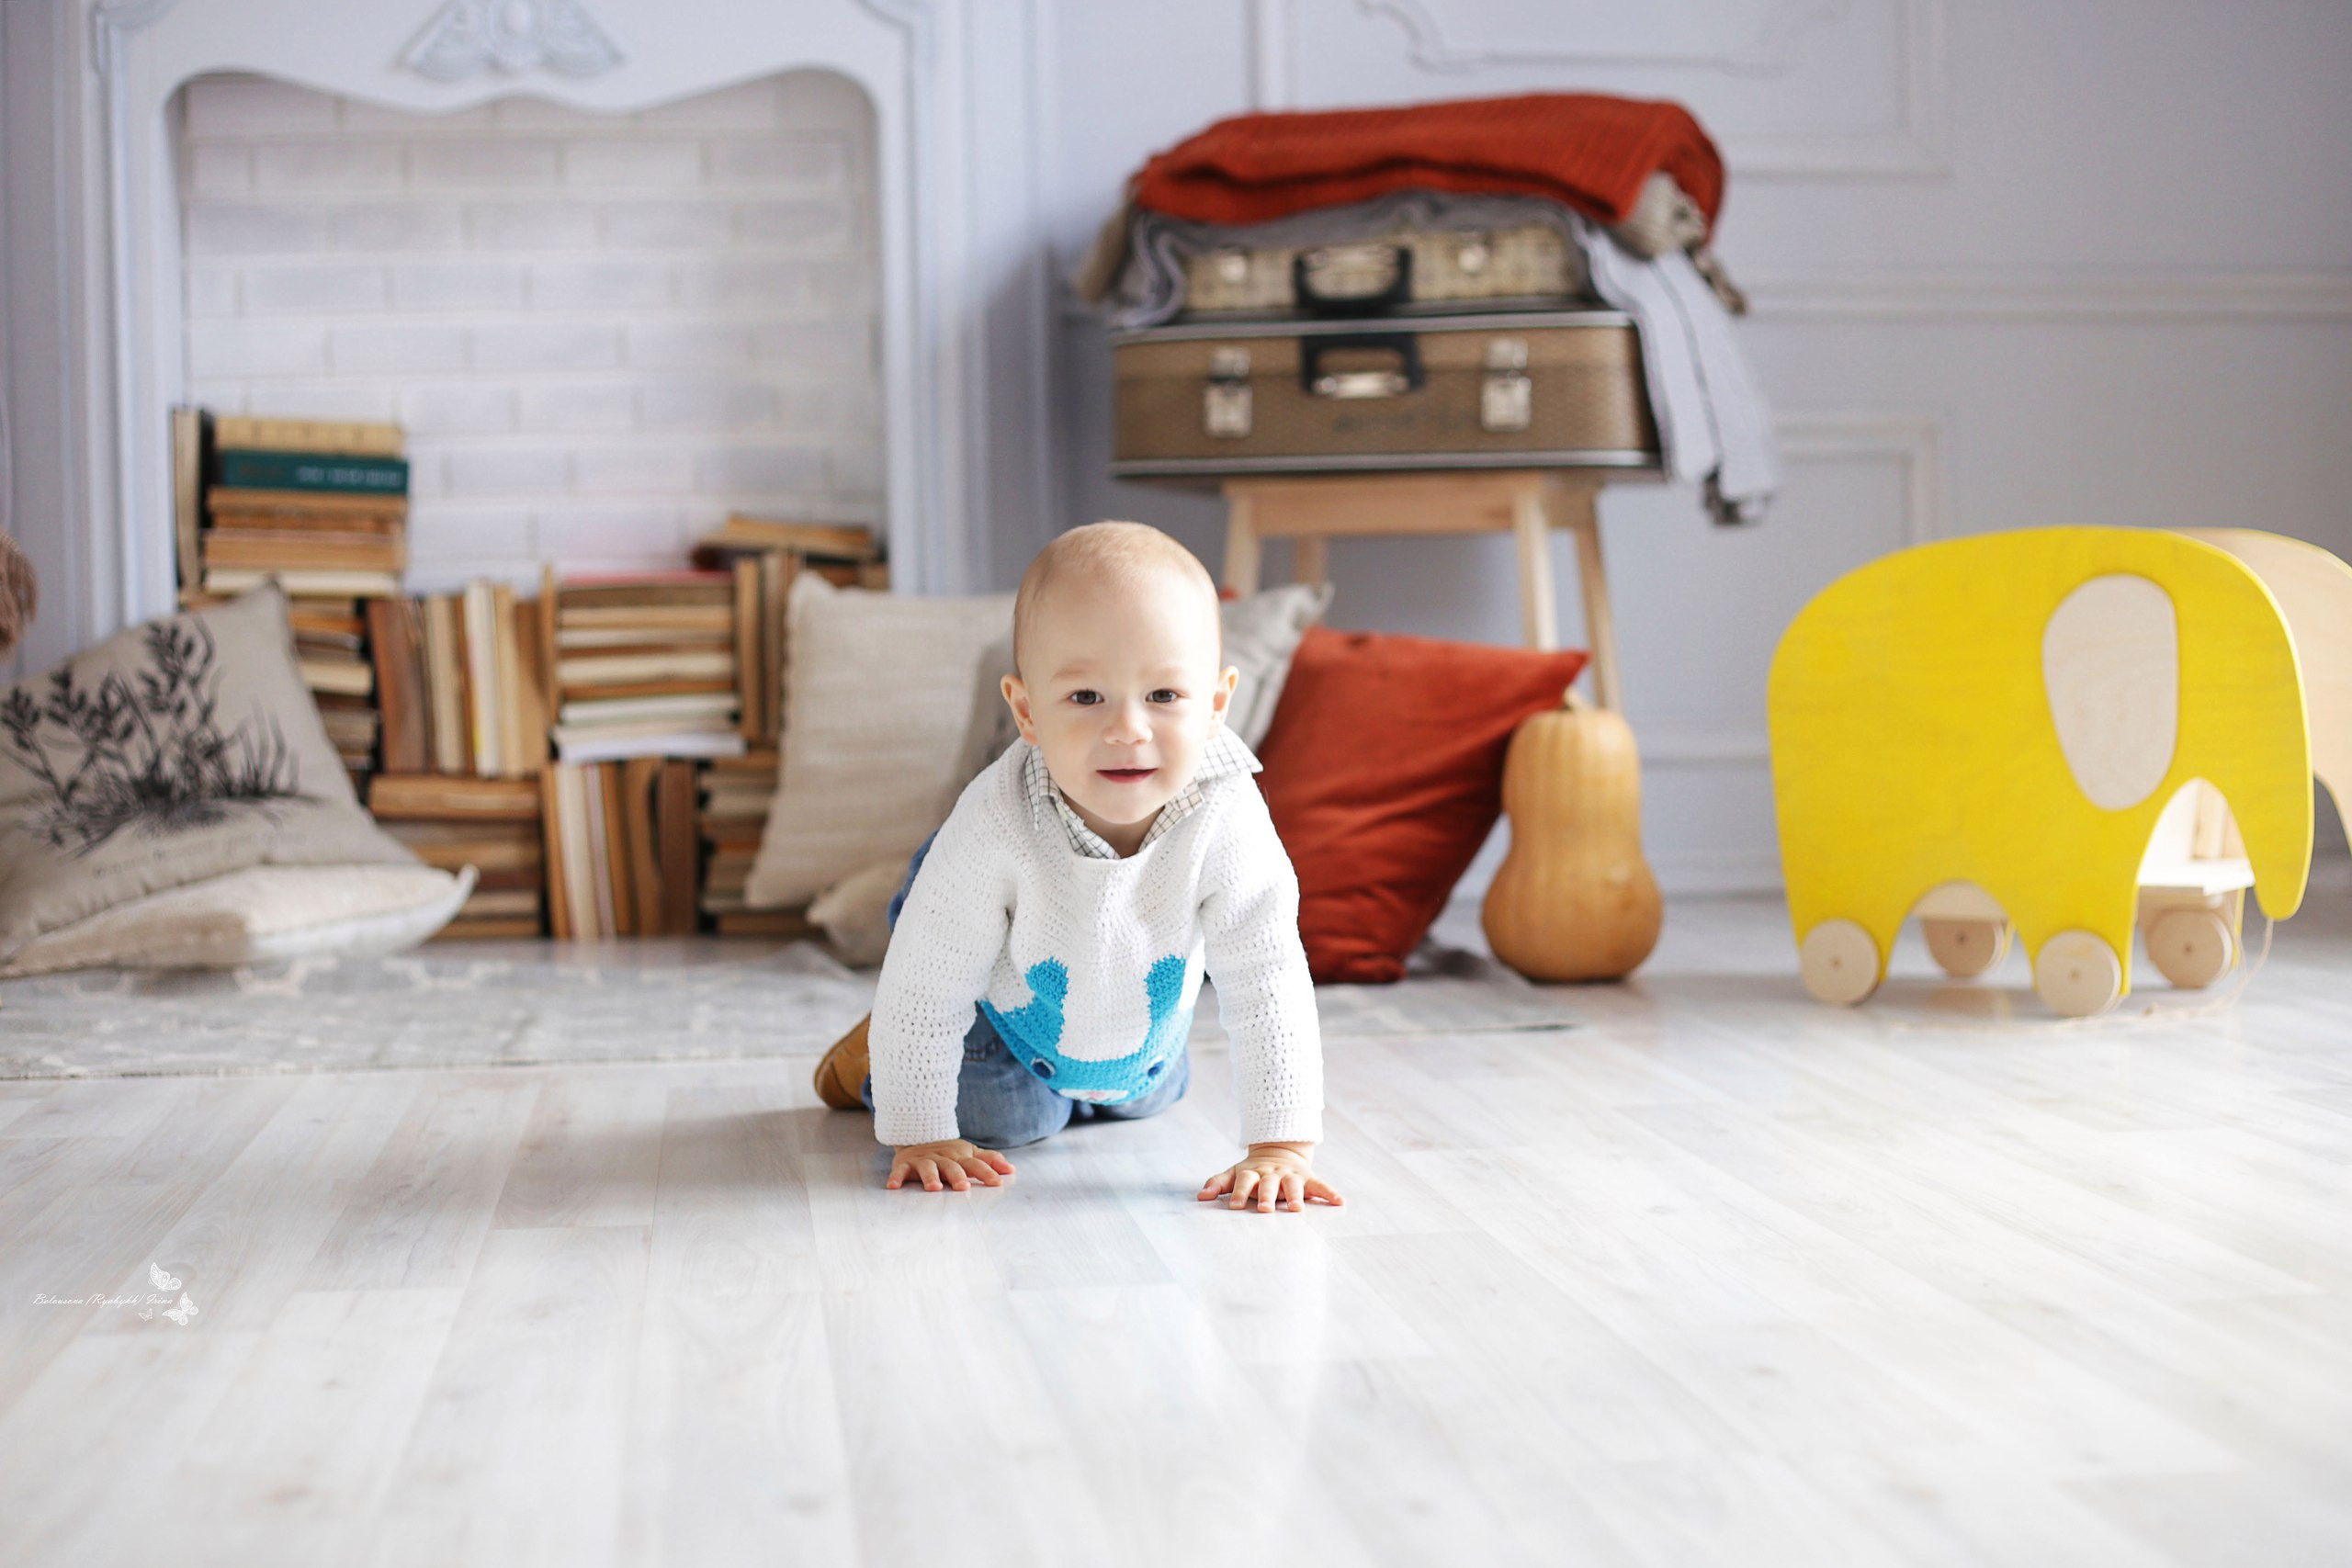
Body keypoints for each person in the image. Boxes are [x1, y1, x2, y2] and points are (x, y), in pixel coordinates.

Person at [810, 521, 1341, 1213]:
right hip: (1000, 1017)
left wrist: (1281, 1146)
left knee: (1152, 1094)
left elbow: (1267, 975)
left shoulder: (1229, 813)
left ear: (1216, 704)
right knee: (1014, 1121)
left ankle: (1095, 1089)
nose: (1128, 728)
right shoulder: (996, 818)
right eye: (1087, 697)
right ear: (1028, 711)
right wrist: (916, 1130)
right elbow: (928, 974)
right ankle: (876, 1058)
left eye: (1164, 696)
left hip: (1135, 1034)